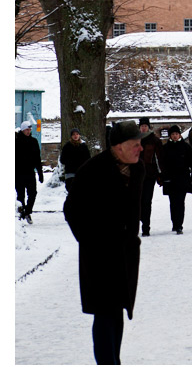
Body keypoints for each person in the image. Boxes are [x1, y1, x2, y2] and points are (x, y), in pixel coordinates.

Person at [63, 120, 144, 365]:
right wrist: (90, 242)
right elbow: (71, 210)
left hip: (125, 253)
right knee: (105, 312)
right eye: (135, 144)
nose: (140, 148)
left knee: (116, 310)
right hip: (99, 256)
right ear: (118, 147)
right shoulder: (92, 170)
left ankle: (113, 362)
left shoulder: (138, 169)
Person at [161, 125, 192, 233]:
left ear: (179, 135)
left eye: (176, 134)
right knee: (173, 202)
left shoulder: (186, 147)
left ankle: (179, 224)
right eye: (173, 134)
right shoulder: (166, 148)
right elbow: (162, 164)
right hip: (170, 179)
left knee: (180, 202)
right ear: (170, 136)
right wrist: (162, 177)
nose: (175, 136)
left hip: (183, 178)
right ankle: (175, 223)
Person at [138, 117, 164, 236]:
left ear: (148, 127)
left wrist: (160, 174)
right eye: (142, 126)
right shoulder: (134, 140)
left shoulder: (155, 141)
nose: (143, 128)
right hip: (136, 175)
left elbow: (159, 158)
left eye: (145, 126)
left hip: (149, 174)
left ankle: (146, 226)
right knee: (137, 201)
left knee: (147, 201)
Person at [15, 120, 43, 223]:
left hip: (30, 172)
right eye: (26, 129)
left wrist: (40, 172)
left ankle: (27, 211)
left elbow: (37, 158)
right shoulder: (16, 141)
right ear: (22, 130)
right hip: (18, 173)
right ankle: (21, 213)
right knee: (20, 195)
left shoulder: (33, 141)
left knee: (33, 193)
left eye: (30, 129)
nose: (28, 131)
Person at [60, 128, 91, 193]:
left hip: (81, 173)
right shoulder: (67, 146)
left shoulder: (83, 146)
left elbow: (88, 159)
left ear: (79, 135)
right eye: (73, 134)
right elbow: (62, 159)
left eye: (77, 134)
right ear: (71, 136)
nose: (75, 136)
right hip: (70, 173)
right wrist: (70, 162)